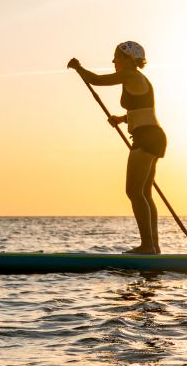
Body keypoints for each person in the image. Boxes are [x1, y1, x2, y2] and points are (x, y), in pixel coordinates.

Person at [68, 41, 166, 253]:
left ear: (129, 59)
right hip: (152, 135)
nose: (113, 61)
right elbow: (142, 108)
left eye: (117, 57)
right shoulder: (136, 79)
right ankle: (154, 247)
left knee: (133, 191)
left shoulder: (130, 75)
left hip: (147, 137)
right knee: (145, 193)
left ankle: (148, 246)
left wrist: (78, 67)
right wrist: (122, 119)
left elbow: (95, 80)